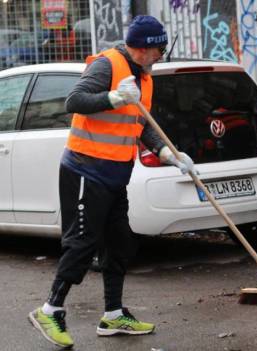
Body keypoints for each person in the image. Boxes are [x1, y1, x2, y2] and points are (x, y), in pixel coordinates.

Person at [28, 15, 197, 348]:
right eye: (159, 49)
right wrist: (114, 98)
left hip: (115, 175)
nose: (162, 55)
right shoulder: (108, 66)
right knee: (82, 243)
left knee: (120, 244)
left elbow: (142, 124)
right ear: (143, 48)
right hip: (84, 170)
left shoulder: (144, 79)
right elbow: (74, 101)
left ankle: (113, 314)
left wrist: (168, 153)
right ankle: (51, 309)